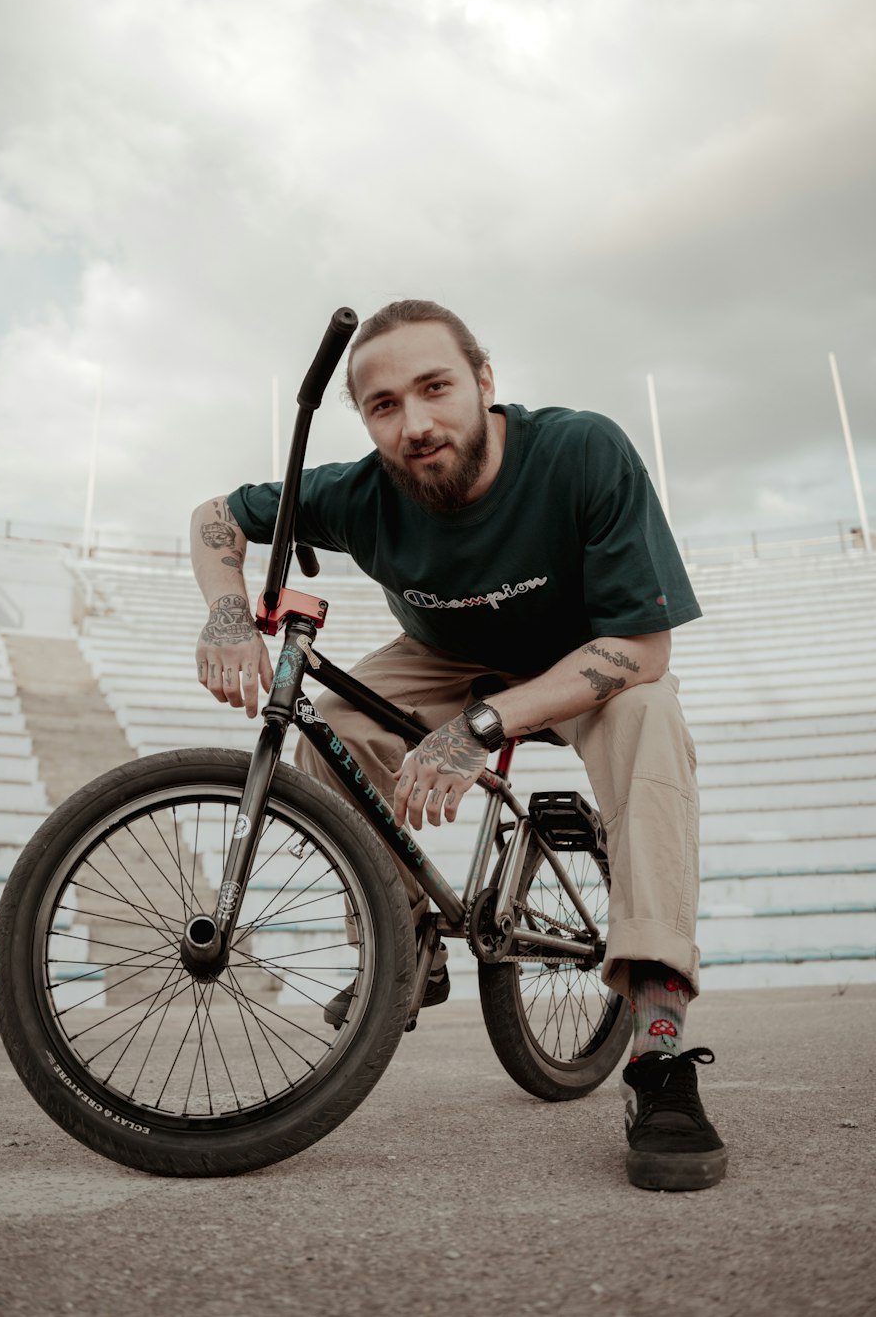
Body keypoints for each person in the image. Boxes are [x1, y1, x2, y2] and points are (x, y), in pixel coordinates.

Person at [190, 298, 727, 1193]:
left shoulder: (582, 451)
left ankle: (660, 1047)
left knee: (648, 720)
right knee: (335, 725)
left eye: (435, 388)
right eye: (385, 405)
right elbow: (218, 515)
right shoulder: (361, 491)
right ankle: (404, 942)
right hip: (441, 656)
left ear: (484, 382)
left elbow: (644, 648)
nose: (416, 423)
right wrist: (224, 611)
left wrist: (483, 727)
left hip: (584, 657)